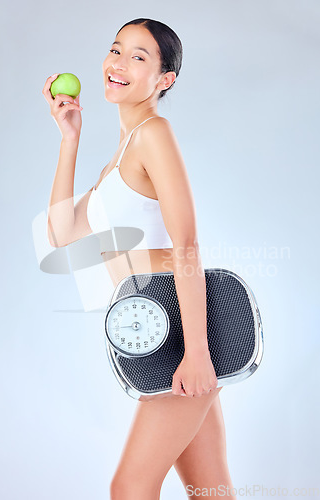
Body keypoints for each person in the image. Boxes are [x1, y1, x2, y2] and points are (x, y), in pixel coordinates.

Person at [42, 17, 236, 500]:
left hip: (178, 324)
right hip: (150, 324)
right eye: (116, 49)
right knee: (212, 491)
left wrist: (196, 352)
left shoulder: (154, 133)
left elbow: (187, 246)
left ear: (164, 79)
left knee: (130, 486)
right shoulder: (121, 153)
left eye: (138, 56)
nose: (118, 63)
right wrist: (69, 138)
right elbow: (63, 233)